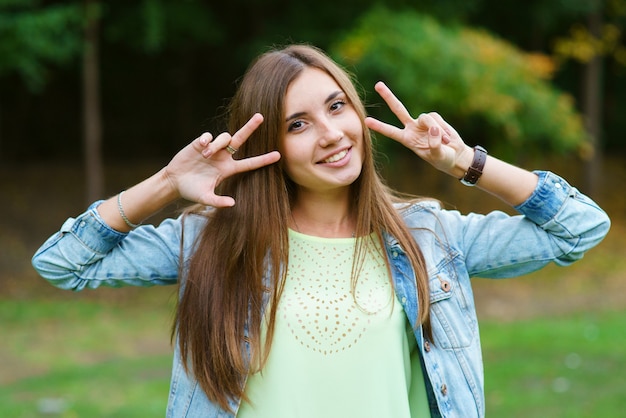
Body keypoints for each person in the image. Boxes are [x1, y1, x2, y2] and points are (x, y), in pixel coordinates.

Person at [32, 44, 610, 418]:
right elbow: (63, 262)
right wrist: (165, 183)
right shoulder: (213, 240)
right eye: (299, 124)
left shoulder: (427, 237)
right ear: (270, 148)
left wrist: (466, 164)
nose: (331, 134)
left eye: (338, 107)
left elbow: (578, 229)